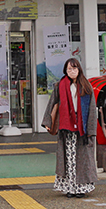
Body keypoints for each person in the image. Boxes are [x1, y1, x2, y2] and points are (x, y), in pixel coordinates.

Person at [41, 57, 97, 198]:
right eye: (69, 69)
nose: (72, 71)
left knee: (82, 159)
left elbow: (91, 109)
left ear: (79, 69)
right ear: (65, 71)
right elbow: (52, 103)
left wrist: (91, 130)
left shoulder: (86, 86)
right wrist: (48, 122)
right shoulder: (60, 85)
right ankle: (70, 188)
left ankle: (81, 188)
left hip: (82, 128)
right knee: (69, 159)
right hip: (65, 128)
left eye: (74, 68)